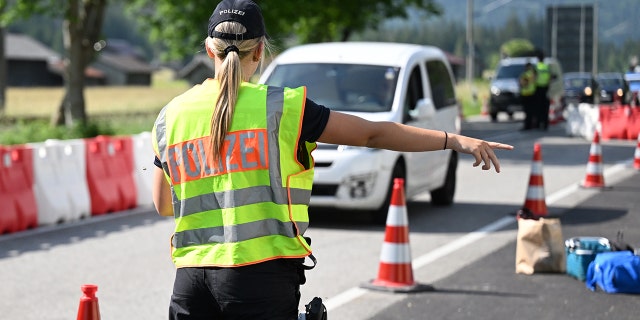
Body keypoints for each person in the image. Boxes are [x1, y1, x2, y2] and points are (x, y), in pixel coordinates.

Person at [151, 1, 514, 319]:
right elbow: (373, 134)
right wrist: (453, 140)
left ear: (208, 50)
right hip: (260, 279)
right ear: (260, 51)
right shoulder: (282, 107)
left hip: (191, 280)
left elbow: (164, 204)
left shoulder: (171, 116)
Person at [534, 51, 551, 130]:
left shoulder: (536, 67)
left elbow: (533, 77)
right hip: (545, 89)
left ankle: (538, 124)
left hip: (537, 89)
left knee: (538, 108)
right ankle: (545, 124)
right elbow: (549, 78)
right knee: (545, 108)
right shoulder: (546, 66)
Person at [519, 62, 537, 130]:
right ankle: (532, 125)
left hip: (525, 94)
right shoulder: (533, 74)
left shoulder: (524, 75)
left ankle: (527, 126)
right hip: (532, 94)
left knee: (527, 112)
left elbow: (522, 84)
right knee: (531, 111)